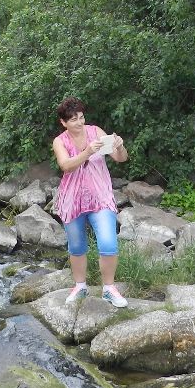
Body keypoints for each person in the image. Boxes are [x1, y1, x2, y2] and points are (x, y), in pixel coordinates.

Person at [51, 97, 129, 307]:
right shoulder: (60, 141)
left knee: (108, 242)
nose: (79, 122)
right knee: (77, 246)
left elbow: (120, 158)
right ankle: (80, 286)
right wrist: (87, 152)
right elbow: (66, 165)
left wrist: (119, 147)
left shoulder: (96, 132)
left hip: (100, 196)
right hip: (72, 199)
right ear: (64, 122)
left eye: (81, 117)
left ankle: (109, 289)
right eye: (74, 119)